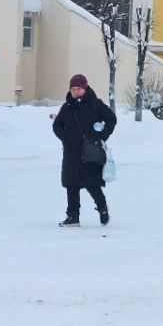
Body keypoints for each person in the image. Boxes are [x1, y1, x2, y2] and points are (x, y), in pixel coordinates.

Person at [52, 74, 116, 227]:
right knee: (71, 184)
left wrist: (102, 135)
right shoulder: (67, 107)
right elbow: (57, 125)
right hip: (71, 152)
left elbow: (111, 119)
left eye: (79, 88)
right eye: (73, 89)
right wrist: (65, 137)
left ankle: (102, 208)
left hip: (90, 151)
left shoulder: (95, 104)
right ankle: (73, 216)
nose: (76, 92)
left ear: (85, 88)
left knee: (91, 183)